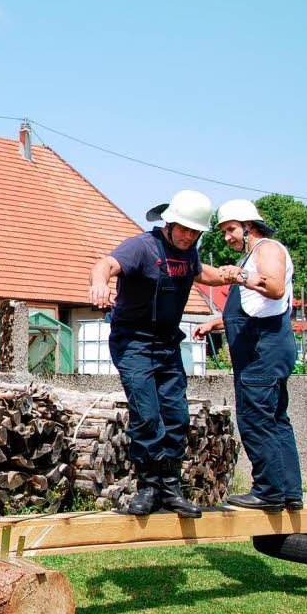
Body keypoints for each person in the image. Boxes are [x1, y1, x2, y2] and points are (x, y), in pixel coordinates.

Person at [88, 190, 230, 517]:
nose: (189, 236)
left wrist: (231, 276)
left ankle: (171, 489)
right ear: (170, 222)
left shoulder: (188, 253)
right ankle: (148, 488)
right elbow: (106, 264)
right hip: (133, 342)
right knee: (147, 417)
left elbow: (200, 272)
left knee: (177, 417)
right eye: (184, 229)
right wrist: (99, 283)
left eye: (196, 232)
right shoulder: (142, 247)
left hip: (167, 344)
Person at [193, 199, 303, 511]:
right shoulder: (252, 255)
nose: (227, 236)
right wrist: (214, 322)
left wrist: (239, 276)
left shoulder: (267, 248)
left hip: (262, 350)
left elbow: (275, 288)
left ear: (248, 226)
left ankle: (268, 492)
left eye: (231, 229)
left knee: (256, 419)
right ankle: (290, 493)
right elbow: (254, 308)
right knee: (276, 419)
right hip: (264, 348)